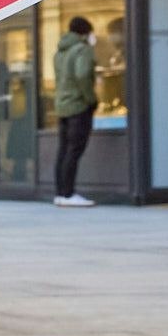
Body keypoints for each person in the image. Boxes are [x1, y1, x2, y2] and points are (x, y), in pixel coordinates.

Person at [51, 16, 100, 208]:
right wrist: (91, 99)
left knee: (63, 151)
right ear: (85, 33)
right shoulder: (82, 49)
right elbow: (82, 75)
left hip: (62, 106)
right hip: (78, 107)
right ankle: (69, 193)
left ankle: (60, 193)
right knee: (74, 151)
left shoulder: (59, 52)